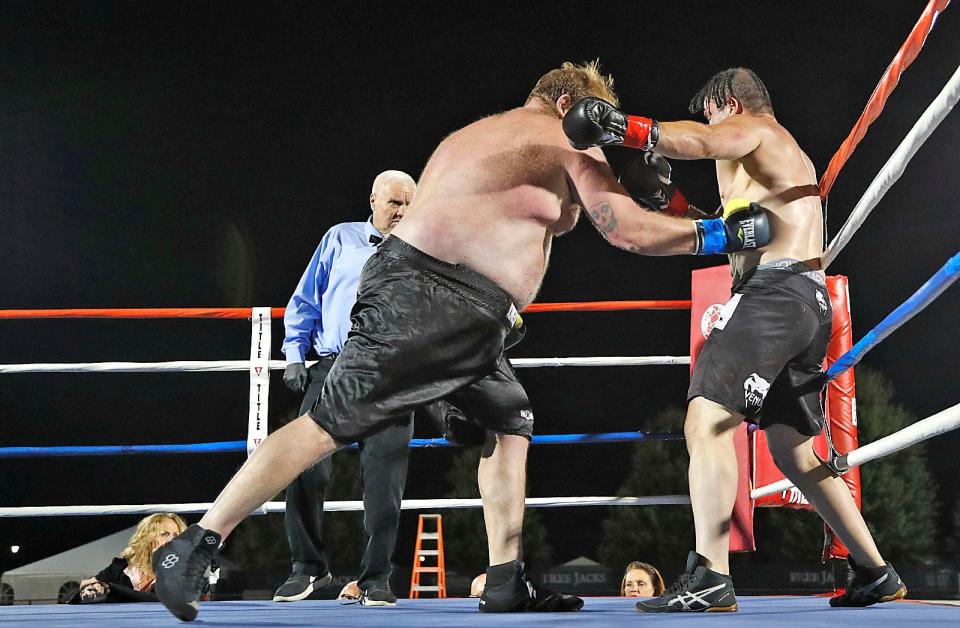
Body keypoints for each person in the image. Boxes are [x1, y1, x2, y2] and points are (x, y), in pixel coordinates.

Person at [152, 60, 768, 621]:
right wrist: (719, 235)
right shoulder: (564, 137)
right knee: (328, 423)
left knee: (510, 417)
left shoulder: (476, 136)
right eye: (597, 120)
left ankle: (504, 578)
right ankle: (195, 545)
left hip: (464, 315)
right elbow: (626, 231)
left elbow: (545, 216)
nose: (602, 137)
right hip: (432, 303)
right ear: (570, 107)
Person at [563, 67, 906, 612]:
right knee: (793, 451)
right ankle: (874, 570)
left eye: (711, 114)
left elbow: (699, 141)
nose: (708, 126)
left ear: (729, 104)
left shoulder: (756, 129)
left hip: (774, 297)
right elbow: (736, 237)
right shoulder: (770, 165)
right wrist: (674, 207)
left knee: (705, 419)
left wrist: (622, 128)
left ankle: (711, 575)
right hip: (804, 304)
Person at [272, 170, 416, 607]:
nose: (403, 211)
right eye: (395, 202)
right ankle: (307, 568)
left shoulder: (426, 246)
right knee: (302, 468)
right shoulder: (339, 238)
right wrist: (294, 356)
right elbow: (306, 298)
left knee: (384, 482)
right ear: (373, 199)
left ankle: (375, 578)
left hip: (393, 373)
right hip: (332, 367)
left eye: (410, 203)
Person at [69, 513, 187, 604]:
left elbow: (162, 599)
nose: (172, 540)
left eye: (176, 535)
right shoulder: (121, 567)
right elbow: (72, 597)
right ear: (147, 539)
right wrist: (88, 591)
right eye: (164, 534)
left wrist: (110, 590)